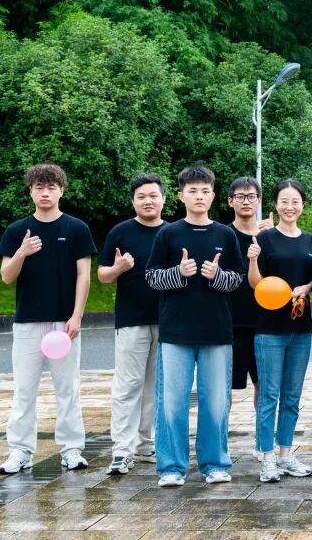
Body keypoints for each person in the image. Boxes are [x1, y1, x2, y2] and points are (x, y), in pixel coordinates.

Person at [146, 165, 243, 487]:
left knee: (215, 402)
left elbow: (238, 281)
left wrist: (217, 276)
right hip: (176, 332)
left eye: (205, 191)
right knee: (172, 402)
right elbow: (152, 277)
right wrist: (179, 273)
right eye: (193, 191)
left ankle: (214, 464)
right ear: (181, 196)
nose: (199, 196)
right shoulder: (168, 234)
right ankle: (171, 467)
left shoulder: (225, 235)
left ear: (213, 196)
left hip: (217, 332)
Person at [0, 163, 96, 474]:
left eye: (51, 187)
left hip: (64, 324)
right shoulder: (17, 231)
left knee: (68, 388)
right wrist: (22, 252)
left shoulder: (77, 229)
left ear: (61, 191)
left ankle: (71, 450)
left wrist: (77, 315)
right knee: (24, 390)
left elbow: (84, 275)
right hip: (28, 321)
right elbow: (6, 276)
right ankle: (19, 451)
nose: (45, 192)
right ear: (30, 191)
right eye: (39, 187)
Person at [247, 180, 312, 482]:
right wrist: (253, 259)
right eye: (284, 201)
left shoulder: (310, 241)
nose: (290, 207)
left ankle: (286, 455)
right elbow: (255, 283)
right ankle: (266, 458)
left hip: (301, 328)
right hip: (269, 329)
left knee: (292, 396)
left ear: (303, 205)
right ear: (275, 204)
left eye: (295, 201)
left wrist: (308, 286)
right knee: (269, 395)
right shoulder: (265, 238)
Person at [98, 174, 167, 475]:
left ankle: (144, 443)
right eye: (141, 196)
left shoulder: (172, 232)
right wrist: (119, 267)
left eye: (153, 195)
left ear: (163, 199)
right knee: (128, 385)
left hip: (167, 321)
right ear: (133, 201)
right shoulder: (121, 232)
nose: (148, 201)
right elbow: (102, 275)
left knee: (154, 386)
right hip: (131, 320)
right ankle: (122, 450)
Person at [226, 177, 274, 459]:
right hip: (228, 323)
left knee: (264, 387)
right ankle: (219, 443)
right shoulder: (223, 235)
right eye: (240, 196)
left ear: (259, 201)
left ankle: (262, 443)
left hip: (263, 323)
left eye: (251, 196)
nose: (246, 201)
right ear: (230, 201)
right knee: (223, 389)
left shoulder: (268, 237)